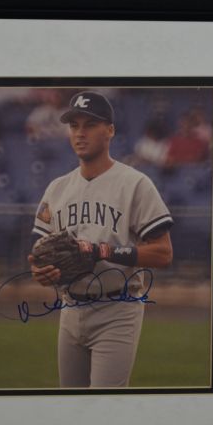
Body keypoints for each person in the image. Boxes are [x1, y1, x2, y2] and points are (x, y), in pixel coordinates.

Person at [28, 91, 174, 388]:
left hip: (117, 309)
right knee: (72, 410)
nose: (80, 133)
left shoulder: (135, 184)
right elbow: (38, 253)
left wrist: (103, 250)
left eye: (90, 124)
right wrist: (41, 271)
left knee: (105, 410)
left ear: (110, 130)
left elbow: (162, 253)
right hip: (69, 309)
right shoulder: (57, 189)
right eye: (74, 125)